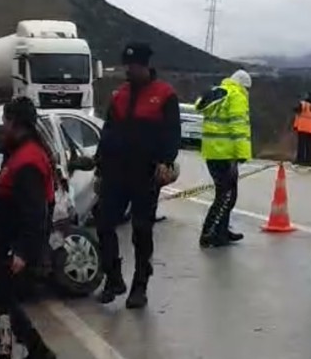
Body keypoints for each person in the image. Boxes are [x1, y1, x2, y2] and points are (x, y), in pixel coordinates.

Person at [95, 42, 181, 309]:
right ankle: (113, 277)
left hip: (146, 174)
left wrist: (166, 161)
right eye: (126, 66)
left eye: (133, 66)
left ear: (145, 66)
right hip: (115, 172)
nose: (128, 71)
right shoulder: (119, 96)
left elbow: (172, 132)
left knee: (141, 230)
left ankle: (140, 284)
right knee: (104, 224)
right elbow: (108, 133)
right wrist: (99, 166)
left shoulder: (164, 95)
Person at [0, 97, 57, 359]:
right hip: (10, 242)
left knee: (1, 300)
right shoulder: (18, 152)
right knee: (0, 300)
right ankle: (15, 348)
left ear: (14, 123)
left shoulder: (28, 160)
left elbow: (34, 212)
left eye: (5, 121)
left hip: (17, 245)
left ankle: (23, 351)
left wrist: (22, 251)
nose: (2, 127)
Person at [195, 69, 253, 248]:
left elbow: (199, 104)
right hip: (225, 153)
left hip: (212, 152)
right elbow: (238, 127)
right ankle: (209, 233)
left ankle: (221, 231)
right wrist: (242, 154)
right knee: (225, 196)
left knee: (228, 194)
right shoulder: (236, 96)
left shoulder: (218, 93)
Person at [293, 92, 311, 166]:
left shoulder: (304, 104)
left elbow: (296, 110)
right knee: (310, 145)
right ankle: (308, 161)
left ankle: (300, 160)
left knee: (301, 144)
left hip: (303, 127)